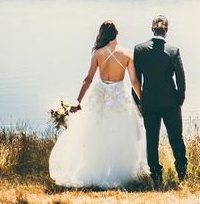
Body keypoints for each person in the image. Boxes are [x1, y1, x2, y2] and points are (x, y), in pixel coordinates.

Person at [49, 20, 149, 188]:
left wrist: (78, 101)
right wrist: (142, 101)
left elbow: (88, 79)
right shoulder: (127, 53)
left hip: (99, 95)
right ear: (116, 33)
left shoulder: (97, 53)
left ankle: (93, 171)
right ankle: (119, 172)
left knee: (94, 133)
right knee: (121, 133)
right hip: (119, 96)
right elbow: (133, 81)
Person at [134, 14, 187, 188]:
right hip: (170, 102)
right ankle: (181, 172)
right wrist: (180, 99)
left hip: (149, 102)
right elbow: (181, 78)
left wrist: (138, 101)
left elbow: (136, 79)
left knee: (152, 140)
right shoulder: (173, 50)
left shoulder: (139, 50)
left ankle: (156, 176)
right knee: (176, 138)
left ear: (152, 29)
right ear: (166, 31)